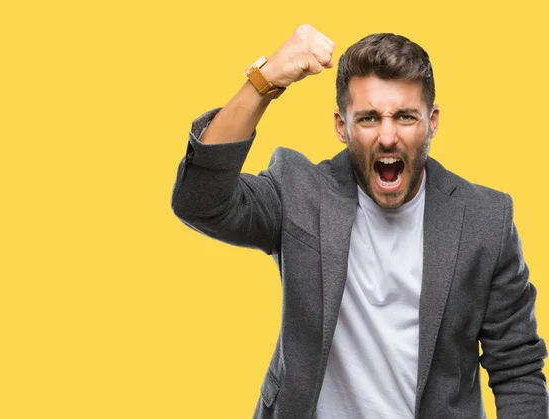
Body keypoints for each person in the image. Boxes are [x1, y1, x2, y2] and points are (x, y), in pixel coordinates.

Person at [170, 24, 548, 419]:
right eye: (368, 118)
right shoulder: (300, 192)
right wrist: (265, 81)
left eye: (405, 116)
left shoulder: (485, 219)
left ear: (432, 121)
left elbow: (517, 367)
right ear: (341, 125)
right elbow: (200, 201)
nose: (387, 137)